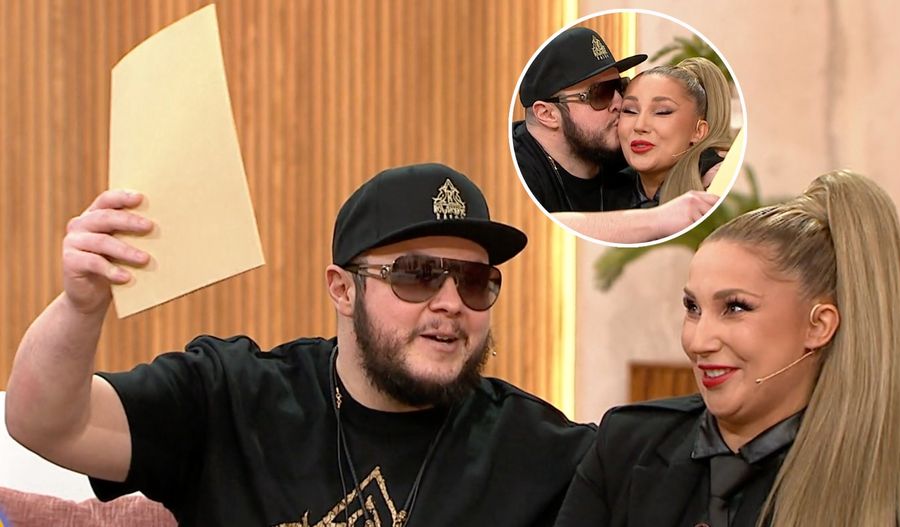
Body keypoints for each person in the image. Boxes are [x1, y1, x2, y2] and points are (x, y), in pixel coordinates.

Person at [5, 163, 596, 526]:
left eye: (474, 281)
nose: (450, 302)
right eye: (417, 275)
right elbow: (45, 423)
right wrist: (81, 306)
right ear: (342, 289)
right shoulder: (233, 397)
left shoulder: (539, 450)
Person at [554, 170, 900, 526]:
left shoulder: (890, 500)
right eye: (692, 308)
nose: (698, 342)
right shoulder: (626, 444)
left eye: (735, 308)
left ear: (818, 325)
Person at [512, 26, 719, 243]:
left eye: (620, 87)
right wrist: (658, 219)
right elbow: (533, 230)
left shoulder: (610, 142)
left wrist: (707, 164)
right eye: (600, 94)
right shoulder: (518, 169)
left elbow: (677, 144)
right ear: (547, 114)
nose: (619, 103)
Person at [618, 56, 733, 207]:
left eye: (662, 112)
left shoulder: (719, 186)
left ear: (698, 131)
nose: (640, 125)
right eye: (630, 110)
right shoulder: (605, 193)